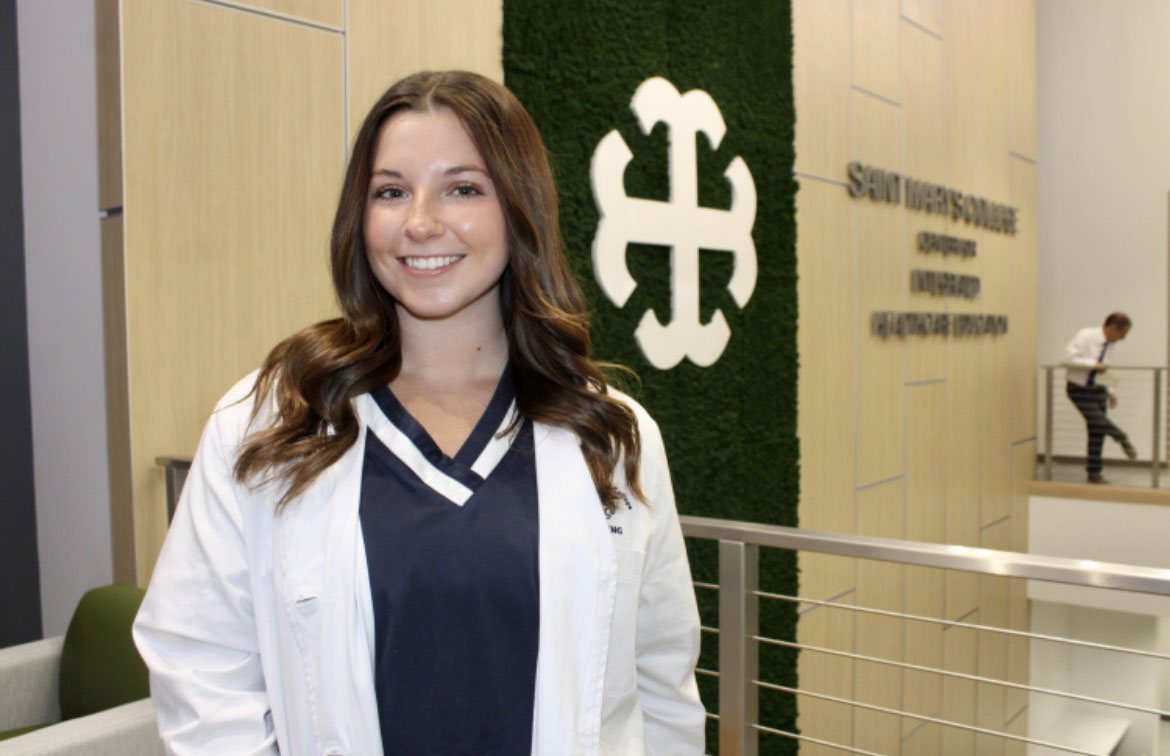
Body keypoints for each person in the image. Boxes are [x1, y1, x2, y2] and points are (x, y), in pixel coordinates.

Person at [132, 70, 705, 755]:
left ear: (520, 209)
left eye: (462, 188)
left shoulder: (610, 433)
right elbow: (199, 667)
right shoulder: (270, 420)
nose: (420, 222)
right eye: (391, 191)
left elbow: (660, 681)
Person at [1062, 312, 1137, 484]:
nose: (1123, 338)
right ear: (1112, 328)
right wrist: (1092, 364)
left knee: (1097, 431)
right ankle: (1121, 437)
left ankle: (1094, 473)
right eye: (1122, 334)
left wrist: (1110, 390)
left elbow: (1105, 368)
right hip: (1079, 388)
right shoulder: (1085, 336)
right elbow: (1067, 358)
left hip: (1098, 389)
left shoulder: (1110, 344)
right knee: (1099, 420)